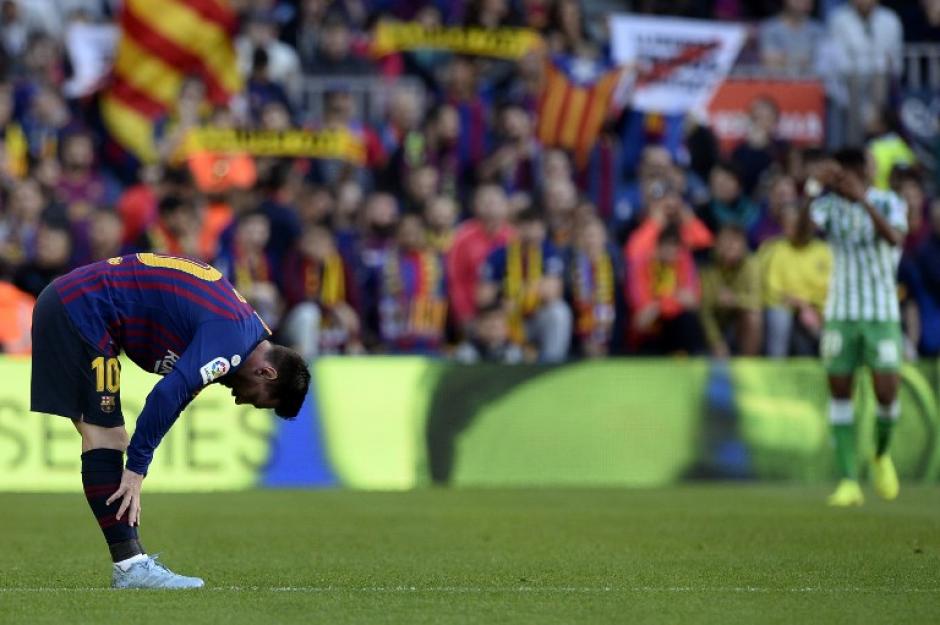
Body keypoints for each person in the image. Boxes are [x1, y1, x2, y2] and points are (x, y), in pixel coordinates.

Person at [29, 253, 310, 588]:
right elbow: (166, 395)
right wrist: (135, 469)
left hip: (77, 305)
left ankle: (129, 565)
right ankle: (130, 568)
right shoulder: (232, 343)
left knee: (106, 436)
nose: (240, 401)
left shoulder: (244, 332)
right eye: (258, 401)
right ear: (266, 372)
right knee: (107, 438)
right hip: (80, 311)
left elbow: (178, 396)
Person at [809, 148, 907, 507]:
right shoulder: (829, 206)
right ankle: (848, 480)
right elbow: (801, 236)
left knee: (886, 393)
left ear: (867, 171)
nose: (852, 177)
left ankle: (881, 455)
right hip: (841, 312)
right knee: (840, 393)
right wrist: (812, 188)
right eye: (846, 172)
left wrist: (863, 200)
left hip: (881, 313)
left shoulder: (888, 201)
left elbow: (895, 239)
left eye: (857, 170)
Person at [477, 207, 571, 363]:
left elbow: (552, 292)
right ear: (515, 228)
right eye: (526, 226)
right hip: (507, 319)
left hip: (536, 317)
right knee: (492, 320)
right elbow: (482, 298)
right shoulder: (499, 255)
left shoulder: (550, 253)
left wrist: (514, 292)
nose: (532, 233)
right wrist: (504, 298)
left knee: (559, 312)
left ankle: (551, 366)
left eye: (536, 227)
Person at [758, 202, 832, 357]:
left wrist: (815, 309)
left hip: (818, 308)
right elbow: (771, 289)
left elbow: (831, 287)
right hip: (784, 306)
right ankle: (775, 370)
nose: (793, 229)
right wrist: (802, 306)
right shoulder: (772, 249)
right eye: (788, 225)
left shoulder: (824, 251)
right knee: (779, 317)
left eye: (797, 224)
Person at [627, 223, 704, 355]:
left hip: (672, 321)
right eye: (669, 247)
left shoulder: (684, 260)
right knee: (645, 324)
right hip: (650, 328)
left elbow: (693, 301)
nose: (673, 252)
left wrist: (661, 303)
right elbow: (642, 313)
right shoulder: (640, 264)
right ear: (658, 246)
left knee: (688, 320)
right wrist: (674, 298)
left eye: (677, 248)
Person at [699, 224, 763, 358]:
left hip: (737, 324)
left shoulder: (751, 264)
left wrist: (735, 300)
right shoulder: (707, 266)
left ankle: (749, 364)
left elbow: (757, 301)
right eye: (726, 243)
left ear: (743, 247)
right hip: (711, 326)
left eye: (735, 244)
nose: (731, 249)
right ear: (717, 245)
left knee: (753, 315)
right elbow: (704, 310)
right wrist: (716, 342)